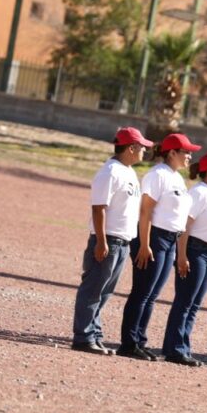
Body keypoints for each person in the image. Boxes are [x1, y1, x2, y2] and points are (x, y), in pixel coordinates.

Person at [118, 132, 200, 361]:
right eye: (186, 152)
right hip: (154, 238)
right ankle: (129, 343)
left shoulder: (176, 178)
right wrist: (144, 244)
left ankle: (139, 341)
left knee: (152, 295)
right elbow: (145, 211)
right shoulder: (157, 175)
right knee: (142, 293)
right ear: (171, 152)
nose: (190, 156)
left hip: (170, 239)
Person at [72, 126, 152, 355]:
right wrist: (101, 240)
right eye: (142, 147)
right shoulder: (110, 172)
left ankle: (94, 335)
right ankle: (83, 337)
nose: (144, 151)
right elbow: (99, 208)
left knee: (105, 291)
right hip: (108, 241)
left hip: (123, 242)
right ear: (130, 148)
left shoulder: (128, 172)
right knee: (93, 290)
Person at [161, 152, 207, 366]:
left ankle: (180, 346)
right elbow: (185, 227)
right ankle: (175, 348)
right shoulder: (199, 193)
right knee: (185, 301)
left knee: (194, 304)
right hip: (195, 251)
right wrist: (182, 255)